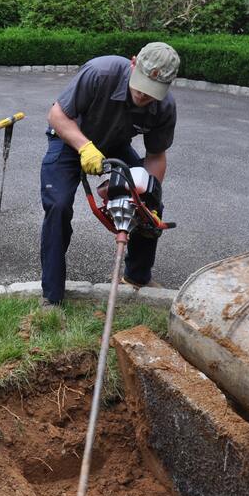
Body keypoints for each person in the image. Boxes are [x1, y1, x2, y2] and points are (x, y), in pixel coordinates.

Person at [40, 42, 180, 306]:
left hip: (114, 145)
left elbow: (156, 156)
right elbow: (56, 115)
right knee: (58, 206)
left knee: (151, 208)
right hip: (69, 138)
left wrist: (145, 198)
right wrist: (84, 147)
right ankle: (51, 297)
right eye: (141, 86)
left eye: (152, 93)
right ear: (133, 63)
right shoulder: (100, 73)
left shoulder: (164, 107)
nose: (143, 96)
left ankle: (137, 278)